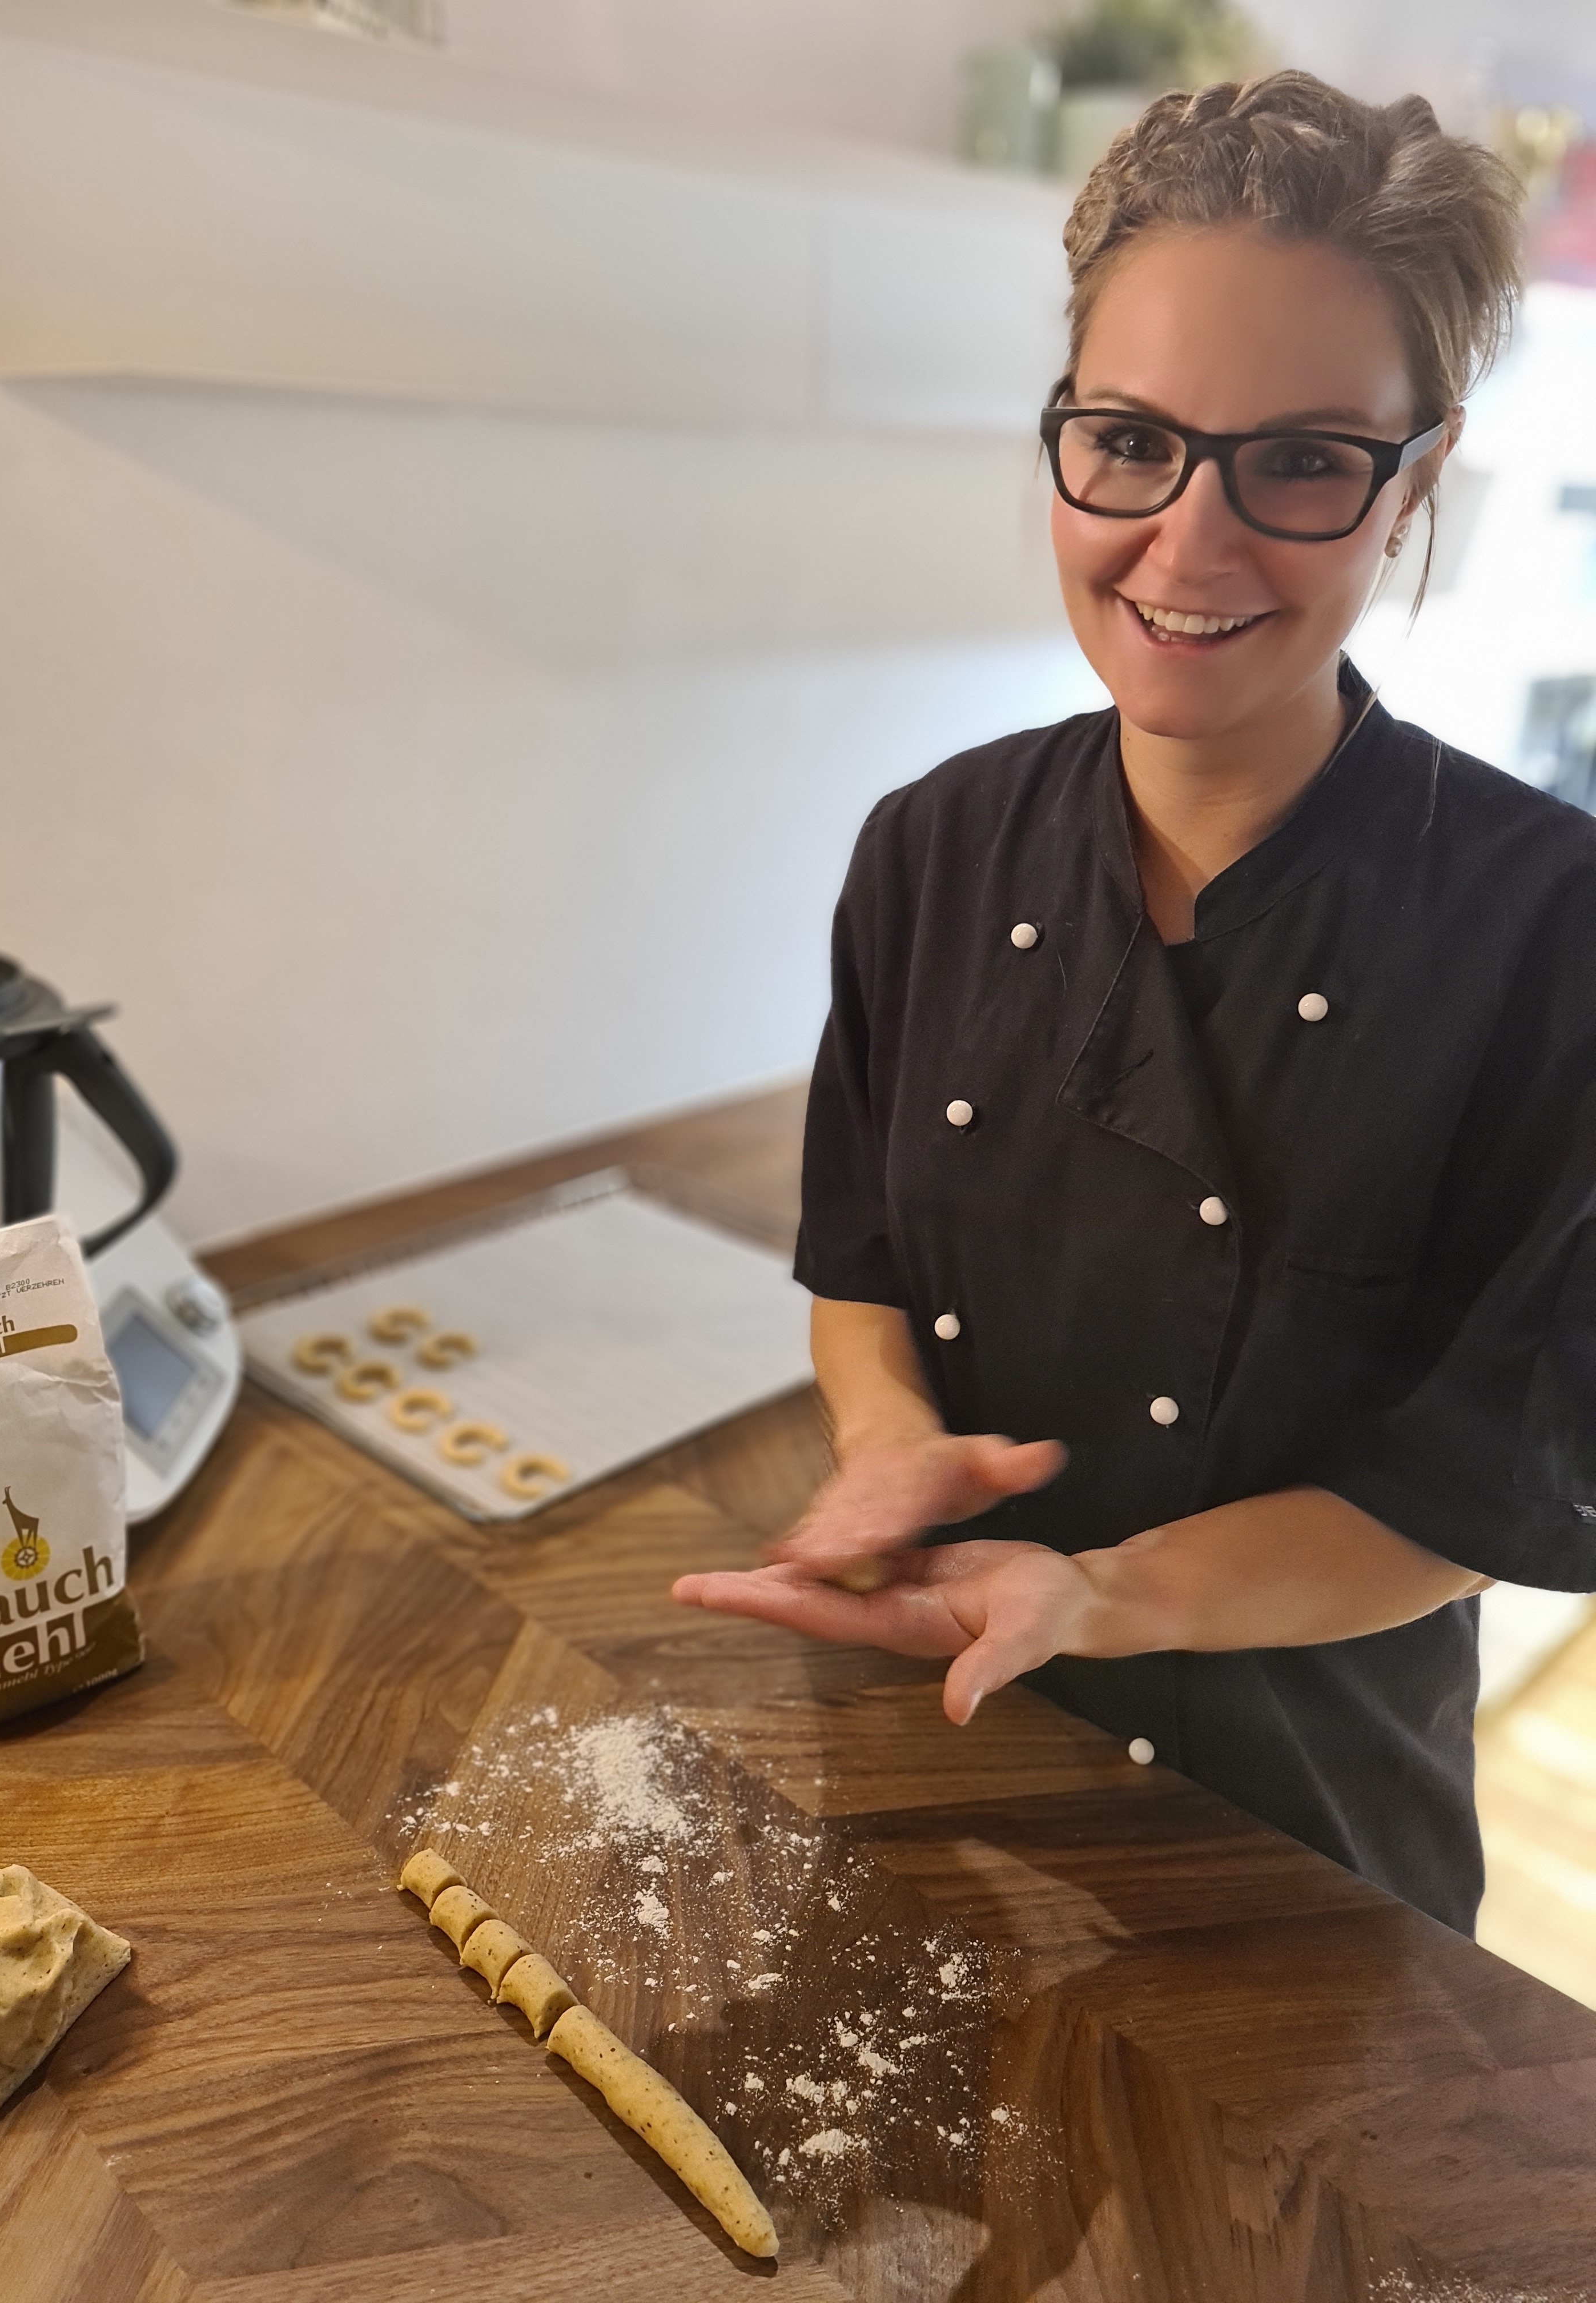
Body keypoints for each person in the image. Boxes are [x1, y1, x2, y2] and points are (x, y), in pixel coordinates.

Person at [673, 71, 1596, 1935]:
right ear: (1064, 439)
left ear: (1414, 483)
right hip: (934, 1750)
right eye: (1132, 440)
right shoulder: (928, 847)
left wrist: (1100, 1595)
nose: (1189, 541)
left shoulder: (1549, 935)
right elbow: (860, 1266)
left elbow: (1465, 1496)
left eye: (1305, 458)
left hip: (1304, 1849)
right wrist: (890, 1448)